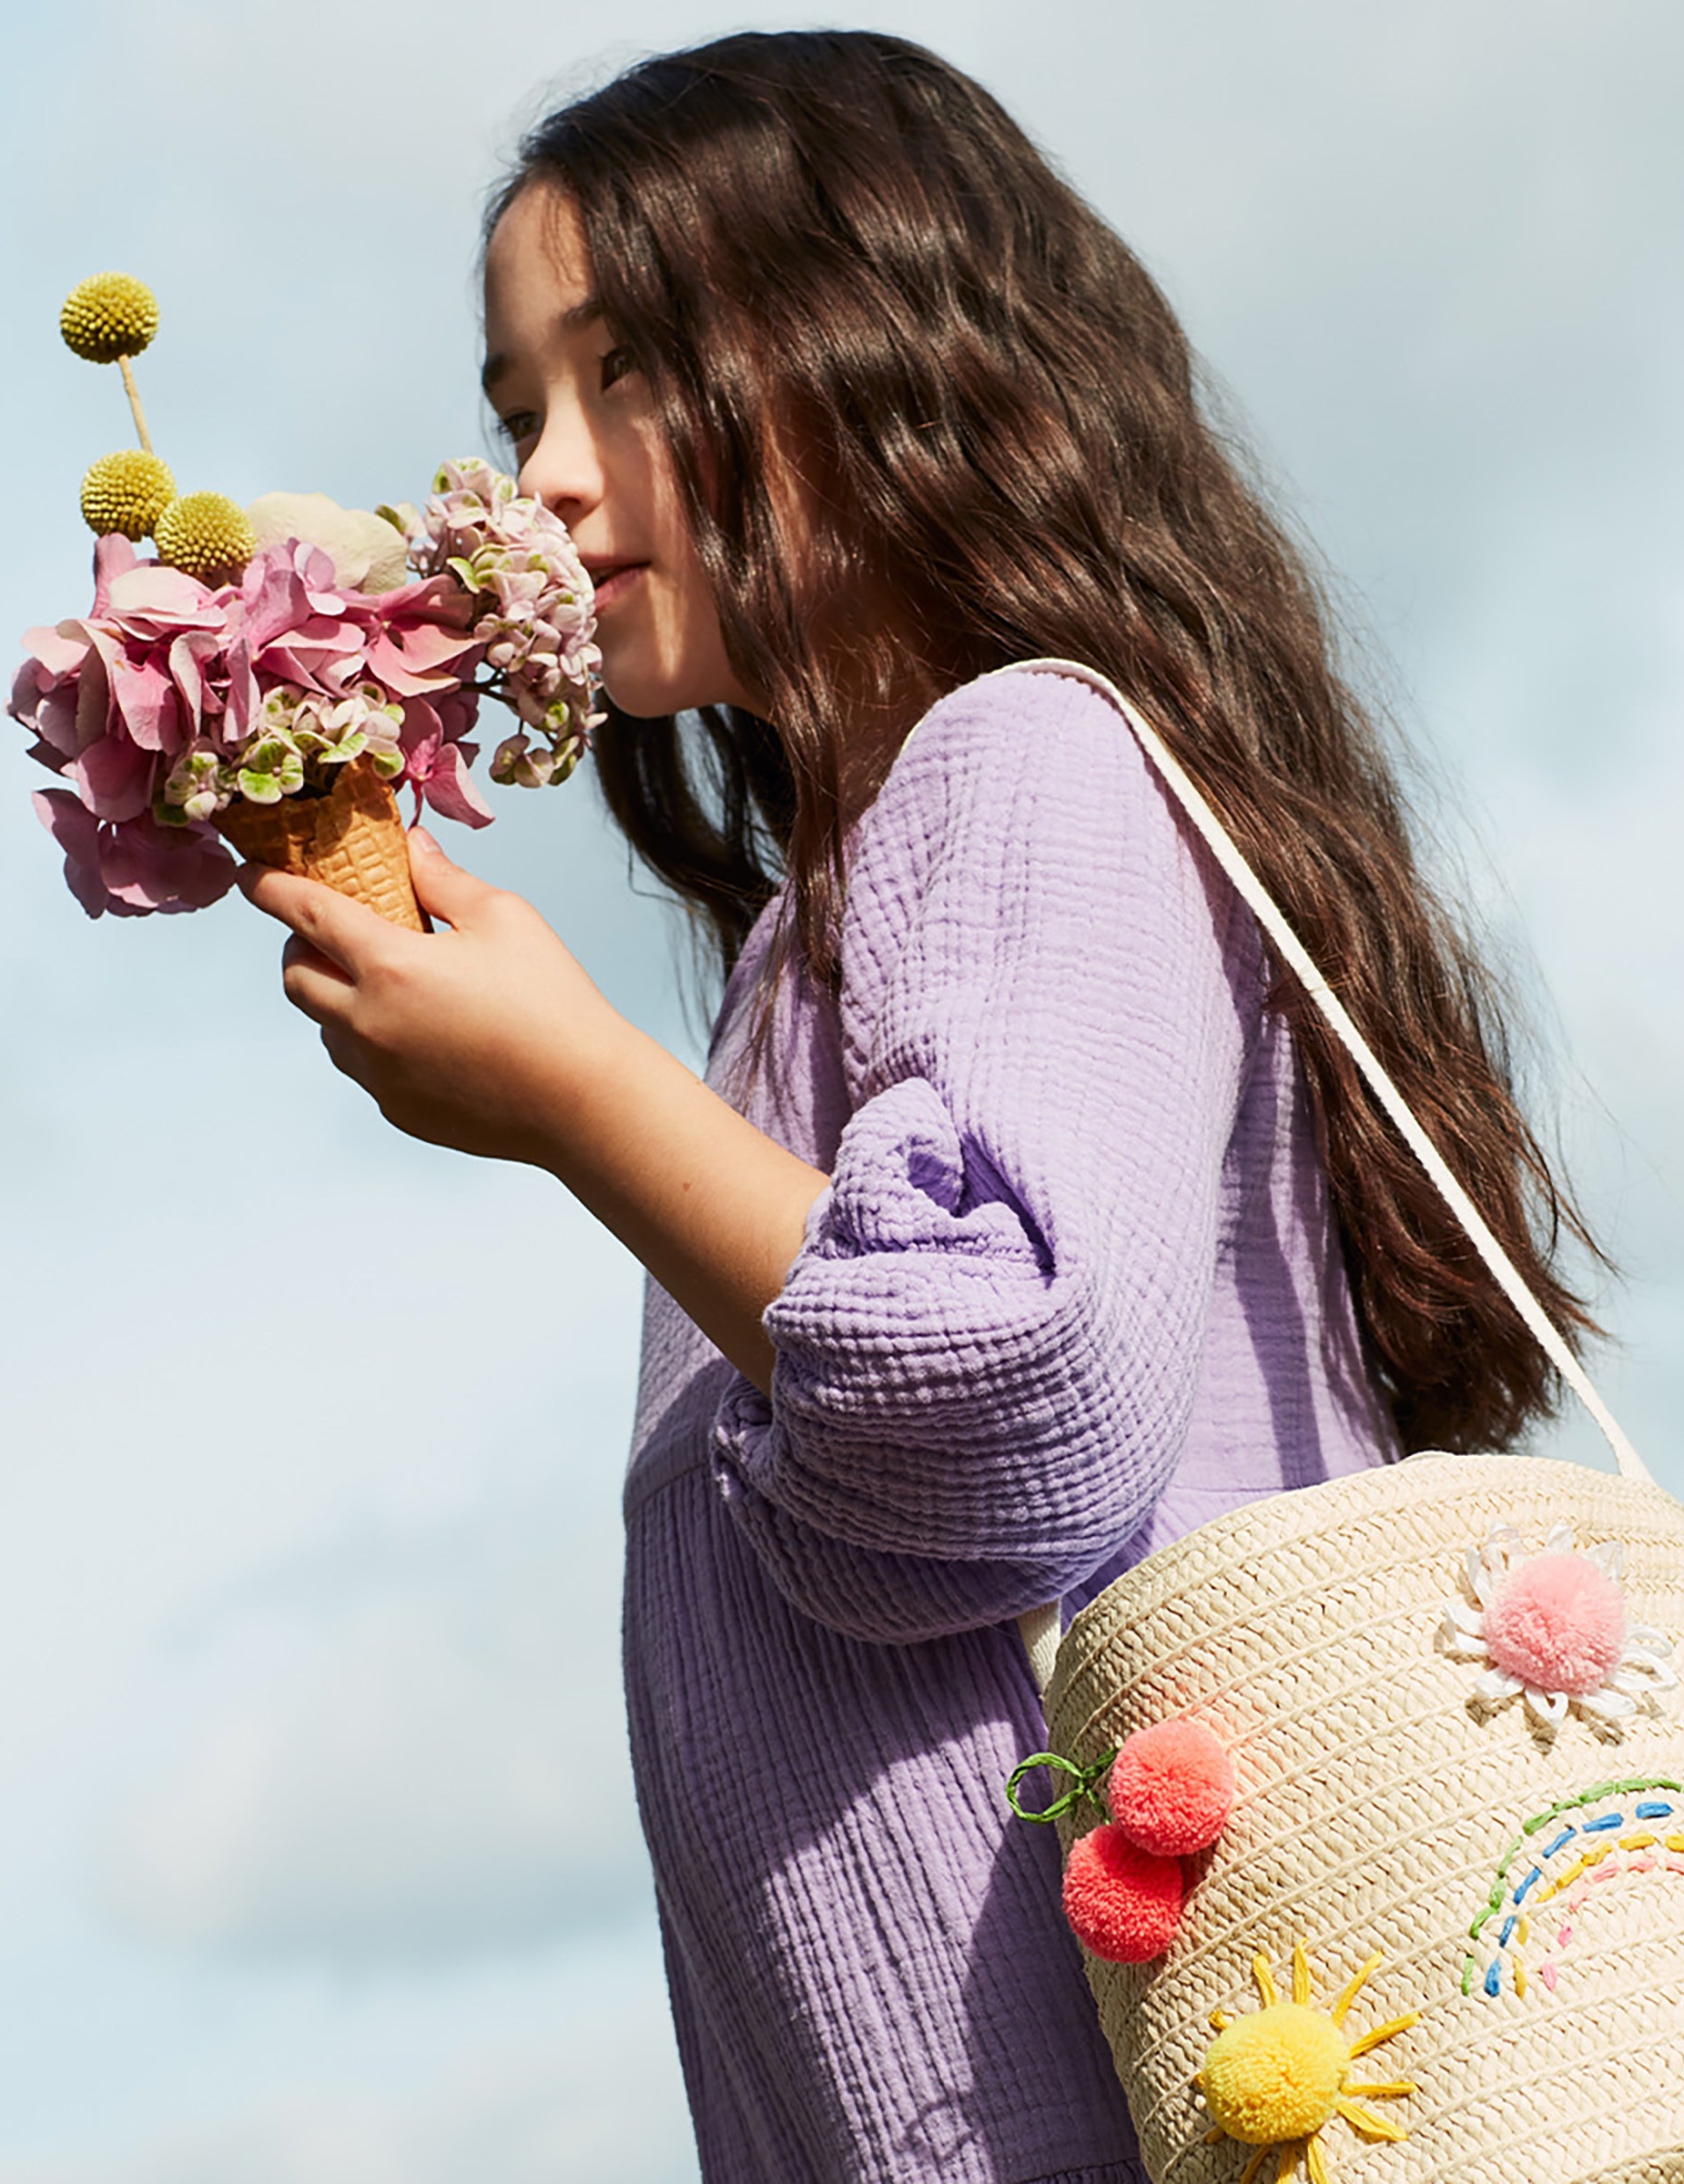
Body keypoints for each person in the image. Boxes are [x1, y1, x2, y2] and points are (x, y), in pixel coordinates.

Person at [238, 29, 1599, 2183]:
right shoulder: (816, 934)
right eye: (519, 417)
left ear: (885, 337)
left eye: (630, 376)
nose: (550, 481)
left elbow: (1007, 1409)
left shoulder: (1022, 762)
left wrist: (580, 1097)